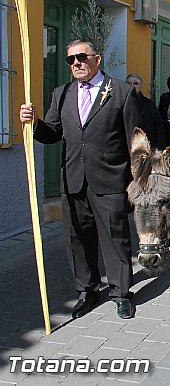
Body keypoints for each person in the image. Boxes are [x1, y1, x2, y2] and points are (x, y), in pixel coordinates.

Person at [19, 39, 141, 319]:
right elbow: (52, 133)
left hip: (110, 179)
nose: (76, 63)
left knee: (115, 238)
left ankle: (121, 292)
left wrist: (135, 180)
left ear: (96, 59)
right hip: (73, 179)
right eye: (71, 60)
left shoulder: (121, 92)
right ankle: (87, 290)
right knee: (78, 239)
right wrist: (35, 122)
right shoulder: (61, 94)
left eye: (82, 57)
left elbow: (135, 139)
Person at [125, 73, 165, 149]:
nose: (132, 86)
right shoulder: (121, 104)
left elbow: (159, 127)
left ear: (141, 86)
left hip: (147, 147)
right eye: (129, 83)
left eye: (136, 83)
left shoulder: (149, 104)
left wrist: (159, 148)